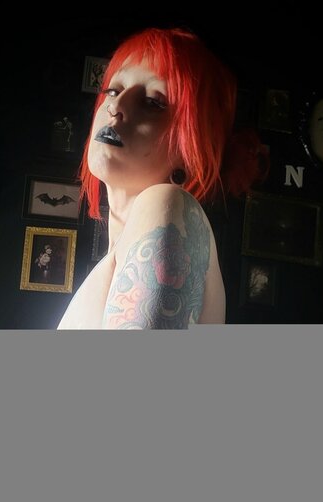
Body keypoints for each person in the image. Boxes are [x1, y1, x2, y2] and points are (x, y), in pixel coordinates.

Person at [57, 26, 268, 329]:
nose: (115, 106)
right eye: (113, 90)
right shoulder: (121, 250)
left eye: (153, 102)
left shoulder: (165, 202)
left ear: (191, 148)